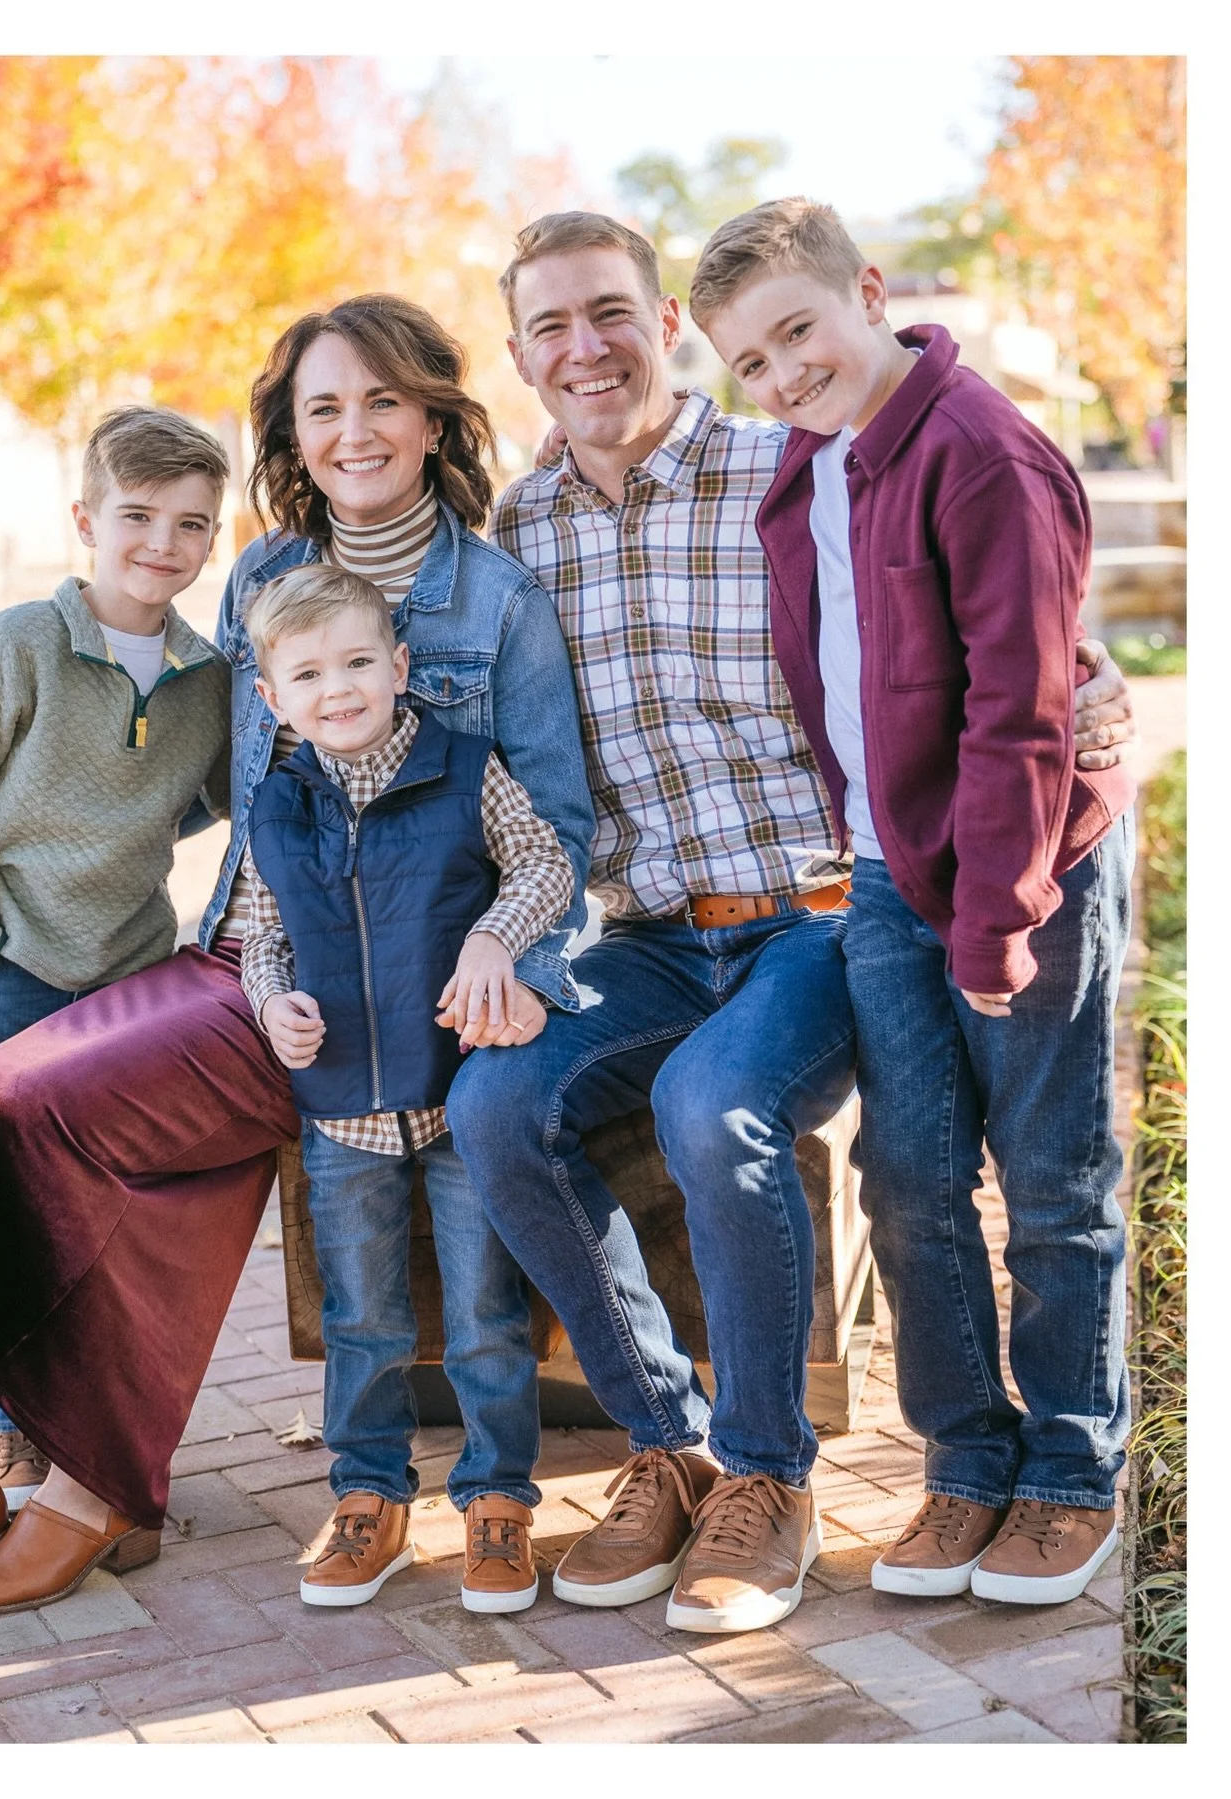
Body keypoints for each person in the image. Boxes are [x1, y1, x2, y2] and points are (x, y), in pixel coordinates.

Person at [0, 294, 593, 1635]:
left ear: (430, 415)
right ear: (292, 435)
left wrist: (505, 948)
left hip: (409, 991)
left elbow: (555, 827)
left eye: (380, 400)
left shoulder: (497, 594)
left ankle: (87, 1488)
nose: (353, 429)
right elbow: (206, 774)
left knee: (67, 1125)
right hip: (250, 962)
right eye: (322, 407)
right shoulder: (250, 577)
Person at [447, 211, 1137, 1636]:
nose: (586, 348)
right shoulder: (518, 532)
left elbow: (1003, 606)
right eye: (551, 327)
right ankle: (674, 1440)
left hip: (819, 909)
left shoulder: (796, 454)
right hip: (641, 933)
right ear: (518, 358)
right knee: (498, 1103)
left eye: (610, 312)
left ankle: (771, 1472)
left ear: (662, 323)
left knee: (725, 1106)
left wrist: (1090, 677)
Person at [693, 197, 1136, 1606]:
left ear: (868, 291)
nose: (780, 375)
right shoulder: (810, 463)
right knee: (911, 1173)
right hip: (887, 868)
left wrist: (1000, 909)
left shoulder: (981, 451)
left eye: (798, 333)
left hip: (1025, 868)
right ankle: (968, 1460)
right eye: (749, 362)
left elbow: (1022, 708)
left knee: (1053, 1174)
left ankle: (1070, 1469)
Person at [0, 405, 233, 1514]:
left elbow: (225, 803)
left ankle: (77, 1417)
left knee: (97, 1215)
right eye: (137, 515)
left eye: (191, 523)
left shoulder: (213, 678)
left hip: (131, 975)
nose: (162, 543)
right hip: (12, 966)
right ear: (86, 518)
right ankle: (6, 1432)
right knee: (9, 1217)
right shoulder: (18, 643)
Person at [239, 562, 575, 1612]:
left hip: (457, 1080)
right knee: (363, 1318)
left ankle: (497, 1496)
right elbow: (262, 931)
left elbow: (545, 865)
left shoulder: (465, 767)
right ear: (272, 697)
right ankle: (369, 1493)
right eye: (307, 673)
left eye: (355, 663)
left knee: (483, 1310)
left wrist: (494, 939)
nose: (335, 689)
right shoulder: (276, 803)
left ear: (398, 664)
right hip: (340, 1108)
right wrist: (269, 1002)